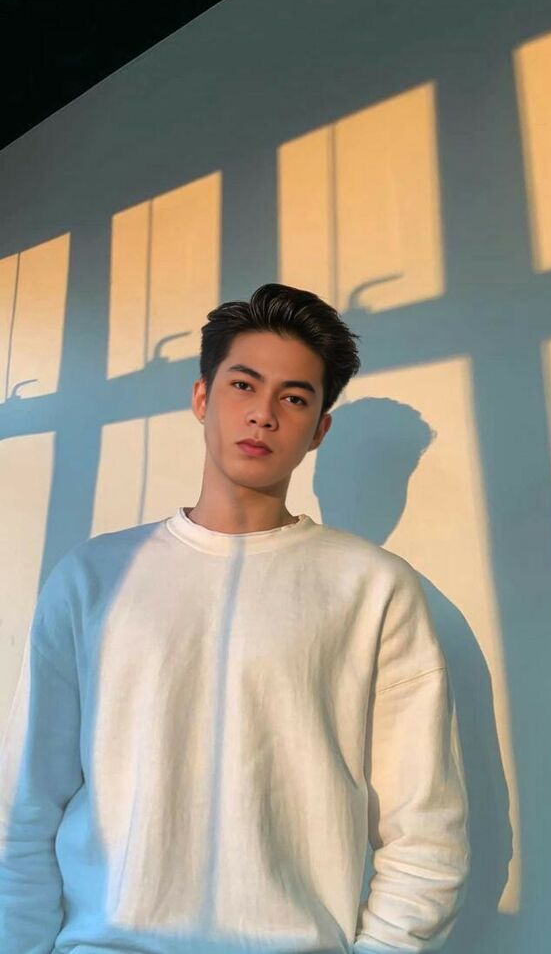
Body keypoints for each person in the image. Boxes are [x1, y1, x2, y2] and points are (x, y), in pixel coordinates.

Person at [0, 282, 469, 954]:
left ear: (319, 430)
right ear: (202, 397)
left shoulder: (374, 590)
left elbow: (426, 832)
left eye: (295, 398)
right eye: (243, 386)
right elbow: (25, 807)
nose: (264, 415)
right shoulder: (94, 576)